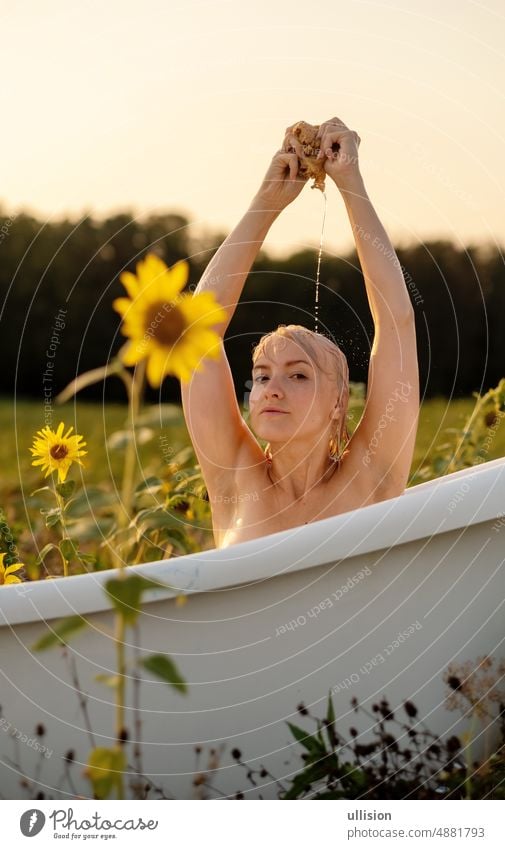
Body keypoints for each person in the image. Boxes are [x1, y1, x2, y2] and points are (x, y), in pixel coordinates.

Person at [181, 116, 419, 549]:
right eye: (262, 374)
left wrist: (350, 182)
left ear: (337, 403)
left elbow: (396, 320)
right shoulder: (236, 480)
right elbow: (197, 331)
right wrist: (267, 202)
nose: (271, 389)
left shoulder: (372, 476)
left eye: (298, 375)